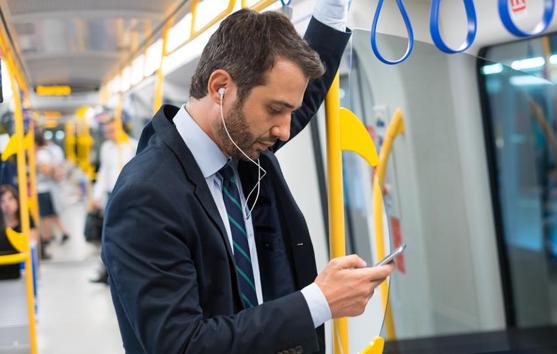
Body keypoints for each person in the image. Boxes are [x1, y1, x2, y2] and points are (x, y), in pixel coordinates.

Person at [102, 5, 394, 354]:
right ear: (220, 87)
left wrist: (331, 10)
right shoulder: (146, 197)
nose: (285, 129)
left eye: (288, 111)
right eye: (275, 110)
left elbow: (301, 98)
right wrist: (319, 301)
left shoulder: (240, 146)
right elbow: (180, 344)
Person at [90, 111, 137, 284]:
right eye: (106, 131)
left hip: (130, 195)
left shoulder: (133, 146)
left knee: (129, 233)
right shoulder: (107, 148)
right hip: (111, 195)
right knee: (108, 234)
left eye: (111, 131)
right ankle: (105, 270)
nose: (108, 134)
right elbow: (104, 173)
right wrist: (96, 195)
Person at [35, 133, 70, 259]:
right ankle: (63, 232)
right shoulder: (48, 151)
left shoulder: (41, 154)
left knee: (45, 216)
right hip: (47, 188)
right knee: (51, 214)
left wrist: (38, 168)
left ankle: (46, 241)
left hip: (43, 189)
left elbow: (47, 170)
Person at [0, 185, 37, 280]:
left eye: (10, 199)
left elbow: (32, 244)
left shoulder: (26, 218)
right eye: (2, 201)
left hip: (20, 271)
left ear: (17, 200)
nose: (7, 204)